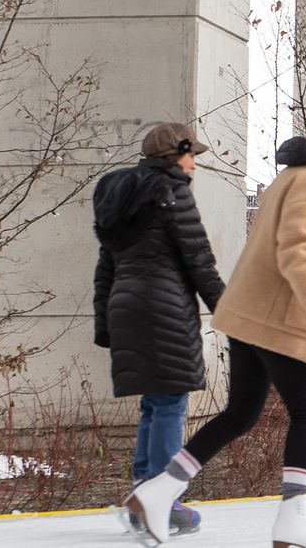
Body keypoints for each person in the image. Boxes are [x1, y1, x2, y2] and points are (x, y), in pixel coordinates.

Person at [128, 95, 306, 547]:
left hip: (252, 316)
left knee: (239, 414)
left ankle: (159, 491)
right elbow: (299, 252)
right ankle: (293, 521)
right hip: (281, 321)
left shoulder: (292, 179)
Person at [94, 122, 224, 539]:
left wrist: (104, 321)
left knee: (154, 402)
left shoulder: (120, 197)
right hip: (163, 305)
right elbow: (198, 260)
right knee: (169, 403)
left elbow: (106, 267)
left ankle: (141, 497)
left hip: (126, 306)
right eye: (191, 156)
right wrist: (228, 312)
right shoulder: (172, 191)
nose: (194, 165)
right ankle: (163, 503)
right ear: (174, 156)